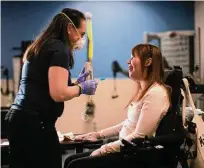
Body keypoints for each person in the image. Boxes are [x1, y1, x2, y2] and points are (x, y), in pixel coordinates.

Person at [4, 8, 98, 168]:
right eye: (81, 34)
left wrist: (76, 84)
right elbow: (58, 93)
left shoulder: (42, 45)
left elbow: (47, 86)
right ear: (69, 28)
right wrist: (83, 89)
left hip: (20, 120)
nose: (81, 39)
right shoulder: (59, 49)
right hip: (35, 124)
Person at [64, 43, 171, 168]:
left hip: (134, 156)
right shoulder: (145, 91)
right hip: (126, 150)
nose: (128, 61)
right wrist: (98, 135)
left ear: (147, 62)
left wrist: (104, 149)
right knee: (70, 160)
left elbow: (140, 136)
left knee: (75, 165)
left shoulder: (156, 93)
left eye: (132, 58)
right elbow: (128, 123)